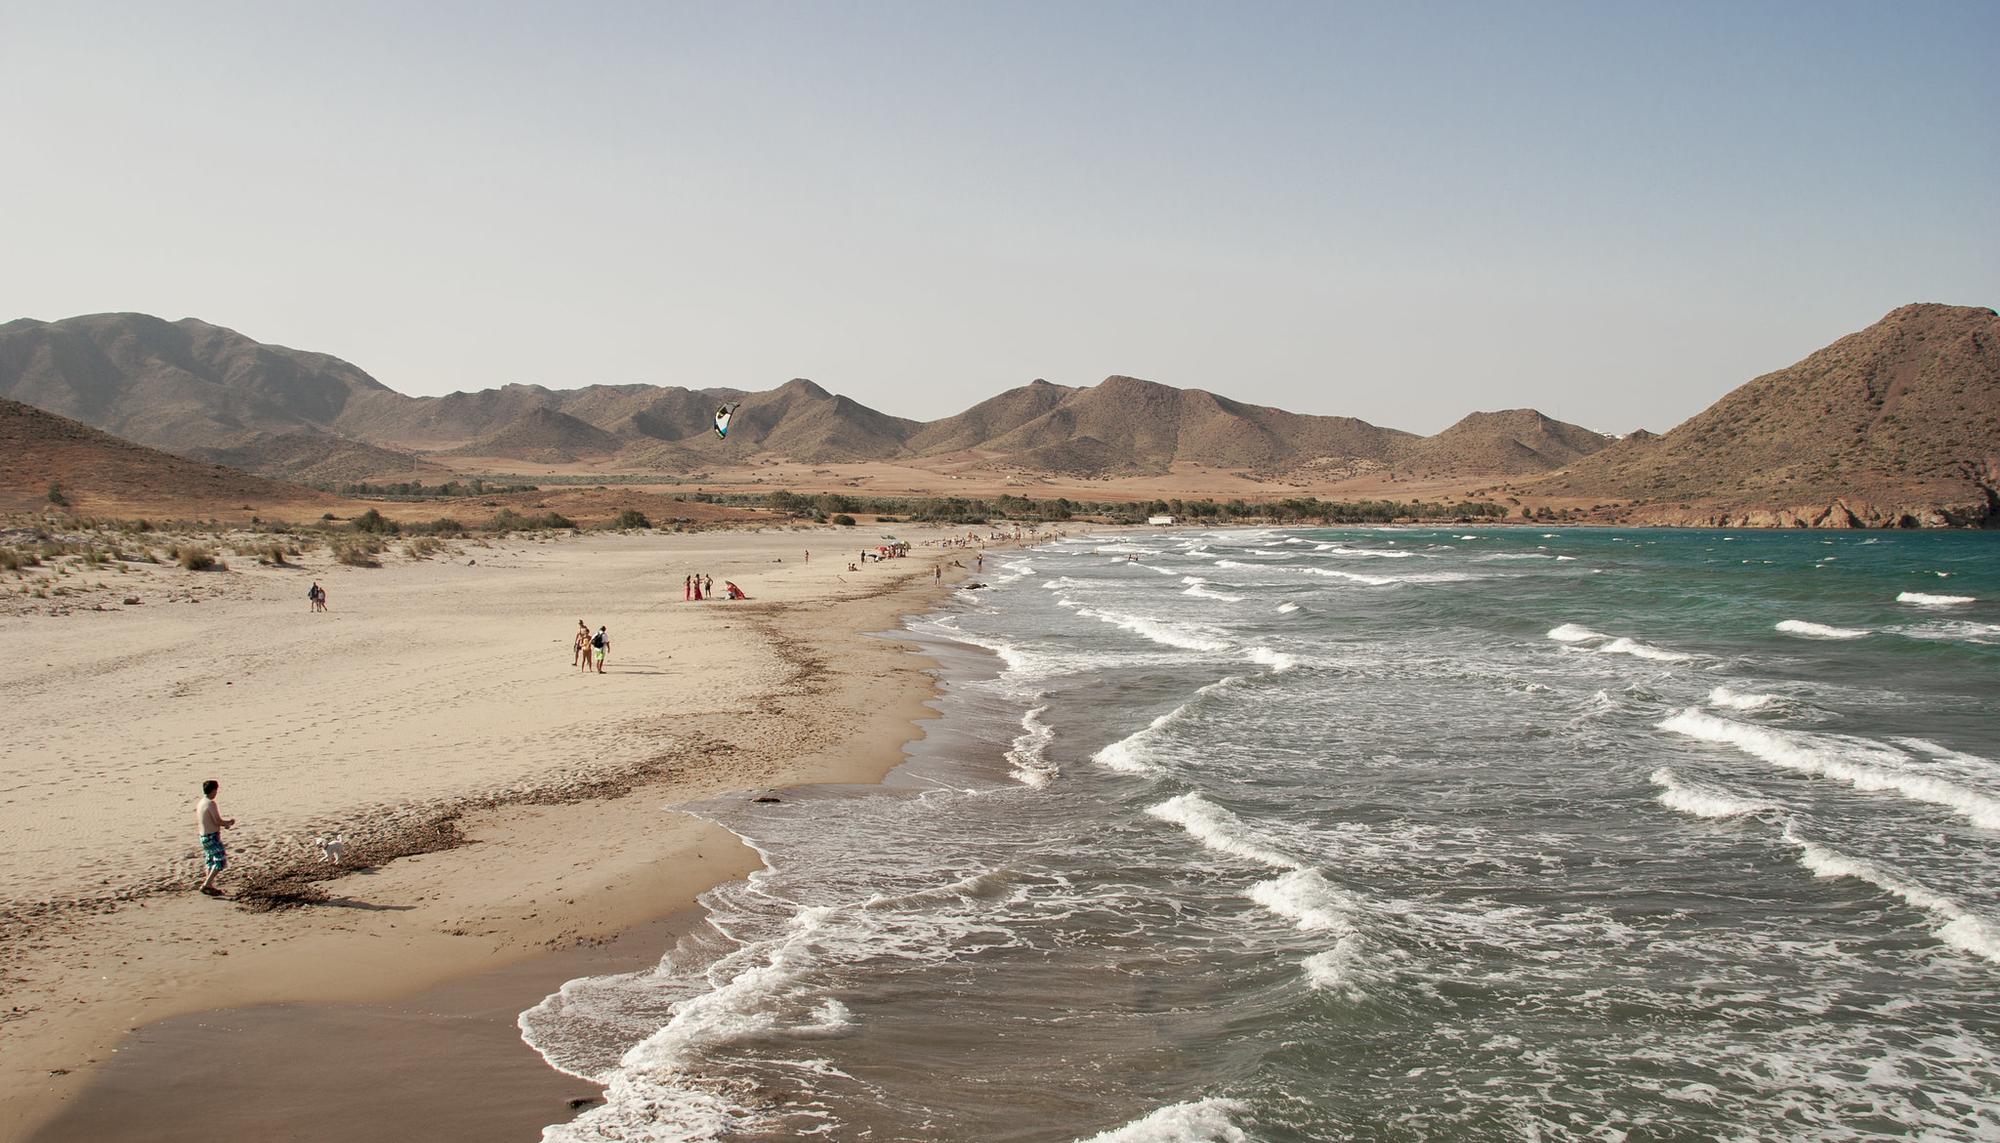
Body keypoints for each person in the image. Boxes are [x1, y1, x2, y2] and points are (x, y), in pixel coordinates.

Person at [195, 779, 235, 896]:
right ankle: (206, 884)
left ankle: (209, 885)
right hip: (211, 837)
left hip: (204, 836)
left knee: (210, 860)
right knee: (220, 860)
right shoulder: (210, 803)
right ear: (213, 790)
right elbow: (217, 821)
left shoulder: (201, 802)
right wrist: (228, 823)